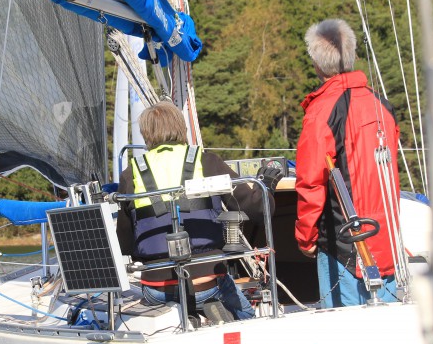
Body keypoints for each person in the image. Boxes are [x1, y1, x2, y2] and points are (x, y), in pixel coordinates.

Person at [116, 100, 279, 321]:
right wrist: (266, 184)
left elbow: (125, 242)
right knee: (247, 315)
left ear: (146, 134)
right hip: (207, 284)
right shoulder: (207, 162)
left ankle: (190, 320)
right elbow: (255, 209)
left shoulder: (131, 172)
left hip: (156, 289)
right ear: (181, 128)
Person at [294, 18, 401, 308]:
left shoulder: (321, 112)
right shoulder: (382, 106)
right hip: (388, 242)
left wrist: (306, 239)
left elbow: (309, 183)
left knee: (347, 336)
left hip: (343, 246)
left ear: (316, 64)